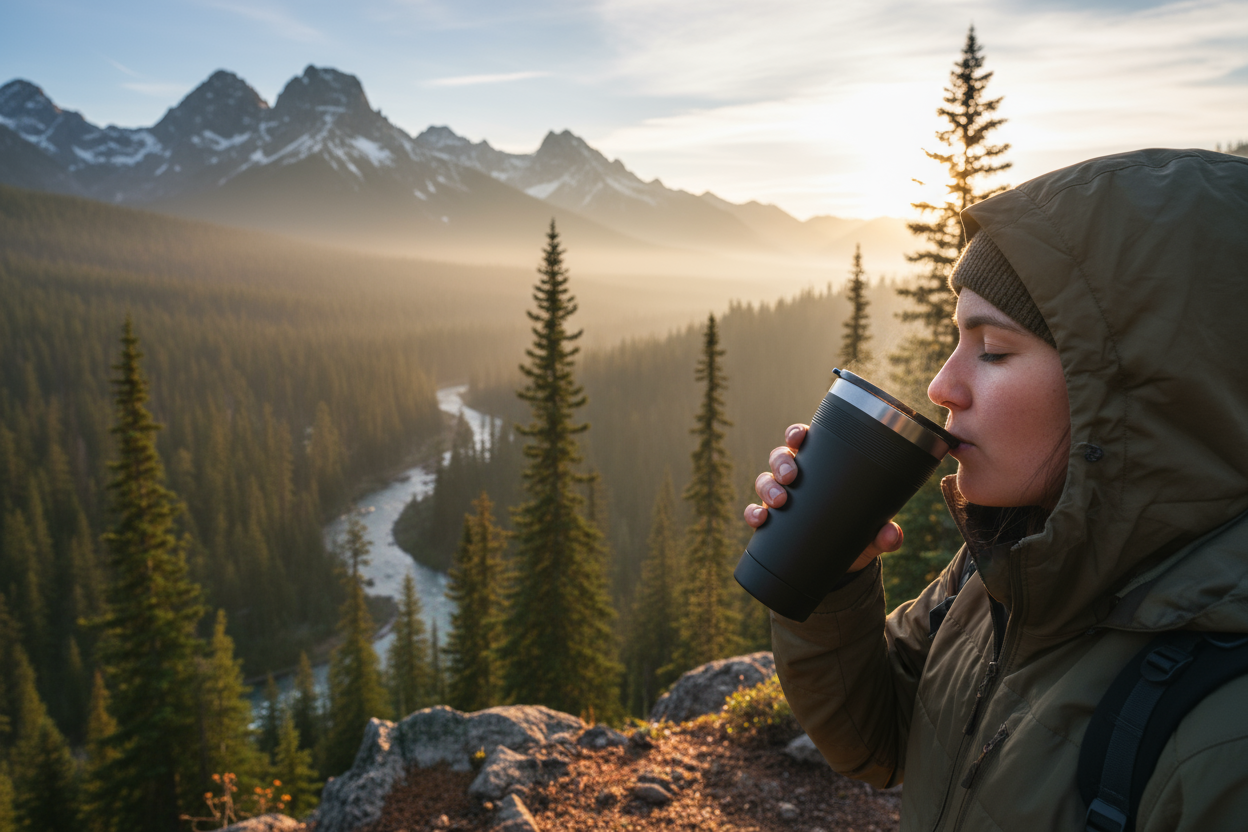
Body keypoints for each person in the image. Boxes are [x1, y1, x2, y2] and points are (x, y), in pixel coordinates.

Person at [744, 148, 1248, 831]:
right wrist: (835, 574)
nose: (942, 386)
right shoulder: (1010, 563)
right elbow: (882, 737)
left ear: (1134, 398)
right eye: (957, 340)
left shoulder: (1224, 734)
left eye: (995, 351)